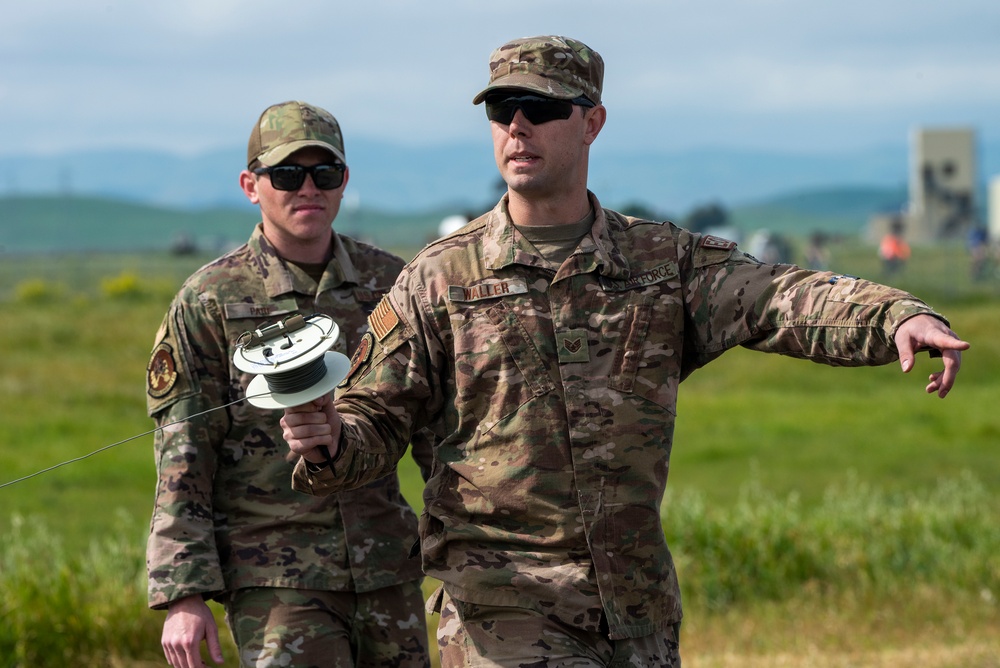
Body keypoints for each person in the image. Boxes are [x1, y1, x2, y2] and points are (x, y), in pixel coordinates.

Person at [280, 36, 970, 668]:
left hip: (636, 612)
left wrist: (895, 317)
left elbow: (779, 297)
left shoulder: (659, 261)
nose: (515, 126)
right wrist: (328, 439)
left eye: (538, 106)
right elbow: (370, 417)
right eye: (500, 110)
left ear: (592, 122)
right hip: (505, 615)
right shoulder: (441, 279)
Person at [145, 100, 430, 668]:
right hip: (276, 576)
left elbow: (435, 426)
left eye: (324, 174)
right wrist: (183, 592)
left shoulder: (393, 284)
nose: (308, 189)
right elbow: (184, 452)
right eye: (286, 174)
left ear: (343, 181)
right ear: (251, 185)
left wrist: (469, 554)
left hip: (386, 568)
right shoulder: (210, 299)